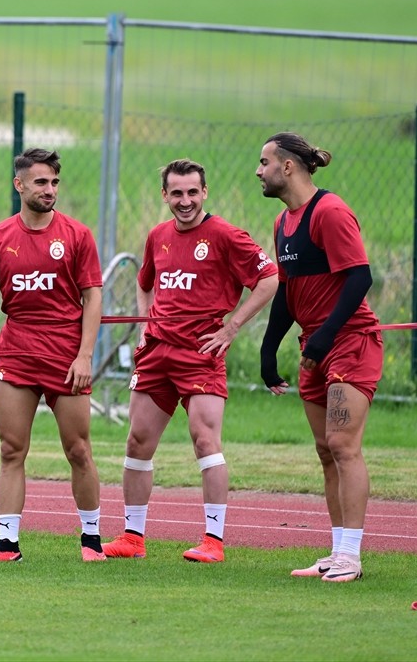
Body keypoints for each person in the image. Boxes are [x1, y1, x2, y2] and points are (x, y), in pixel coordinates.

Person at [102, 159, 277, 563]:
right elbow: (144, 283)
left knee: (204, 439)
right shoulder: (157, 236)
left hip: (201, 356)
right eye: (177, 193)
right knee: (137, 440)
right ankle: (132, 538)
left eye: (192, 192)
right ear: (165, 195)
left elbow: (269, 278)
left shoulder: (226, 236)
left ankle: (213, 542)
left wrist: (232, 327)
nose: (185, 201)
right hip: (157, 353)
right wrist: (147, 324)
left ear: (205, 192)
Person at [0, 148, 106, 563]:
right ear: (20, 185)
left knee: (78, 449)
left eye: (55, 182)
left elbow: (92, 297)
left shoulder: (77, 235)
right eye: (41, 182)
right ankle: (7, 545)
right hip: (18, 354)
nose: (50, 190)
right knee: (11, 450)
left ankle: (92, 542)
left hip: (66, 356)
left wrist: (84, 356)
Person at [255, 132, 382, 583]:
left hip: (348, 342)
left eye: (265, 162)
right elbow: (288, 291)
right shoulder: (280, 223)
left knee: (345, 446)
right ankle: (336, 551)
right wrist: (269, 348)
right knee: (326, 451)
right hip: (315, 347)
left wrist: (325, 338)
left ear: (288, 166)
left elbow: (359, 278)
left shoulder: (329, 211)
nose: (259, 170)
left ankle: (352, 555)